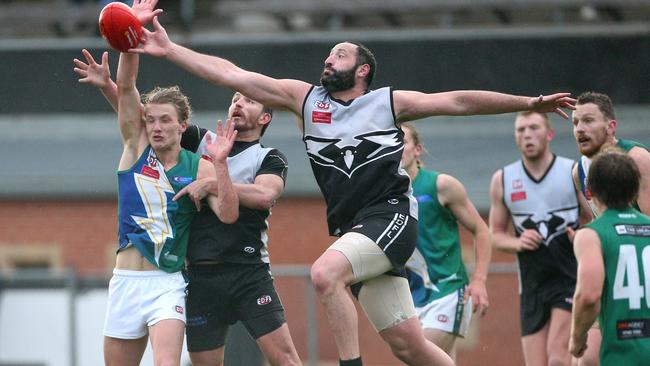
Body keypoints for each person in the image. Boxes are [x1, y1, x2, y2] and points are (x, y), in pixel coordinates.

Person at [131, 16, 575, 365]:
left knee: (325, 275)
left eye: (339, 54)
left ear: (362, 70)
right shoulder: (306, 101)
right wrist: (169, 50)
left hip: (390, 218)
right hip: (356, 231)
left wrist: (527, 102)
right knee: (409, 346)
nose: (328, 59)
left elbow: (459, 101)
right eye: (328, 53)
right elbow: (230, 73)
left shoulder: (387, 103)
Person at [74, 50, 301, 365]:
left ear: (265, 117)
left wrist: (215, 177)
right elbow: (141, 115)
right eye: (236, 97)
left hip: (244, 272)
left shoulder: (263, 158)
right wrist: (114, 73)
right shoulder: (200, 141)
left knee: (284, 358)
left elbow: (259, 198)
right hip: (198, 276)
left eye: (249, 100)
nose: (239, 102)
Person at [105, 50, 239, 365]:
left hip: (166, 282)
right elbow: (126, 86)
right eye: (150, 120)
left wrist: (220, 165)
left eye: (165, 120)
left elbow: (229, 214)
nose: (156, 127)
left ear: (182, 125)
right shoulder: (135, 146)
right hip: (124, 281)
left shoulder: (200, 166)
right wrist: (130, 41)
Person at [489, 111, 590, 366]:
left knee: (558, 359)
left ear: (549, 134)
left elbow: (595, 219)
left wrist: (581, 236)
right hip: (532, 286)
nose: (527, 135)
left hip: (569, 279)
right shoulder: (503, 179)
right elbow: (496, 235)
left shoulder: (573, 171)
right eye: (521, 130)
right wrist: (518, 242)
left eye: (533, 128)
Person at [570, 91, 650, 366]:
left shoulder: (637, 159)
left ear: (611, 126)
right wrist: (586, 239)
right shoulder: (579, 171)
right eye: (575, 122)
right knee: (583, 360)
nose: (580, 129)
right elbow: (602, 222)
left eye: (588, 120)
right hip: (610, 277)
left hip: (641, 279)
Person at [400, 122, 491, 358]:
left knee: (418, 356)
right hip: (411, 297)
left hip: (448, 290)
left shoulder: (440, 185)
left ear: (417, 149)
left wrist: (479, 279)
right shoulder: (383, 194)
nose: (396, 148)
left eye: (402, 141)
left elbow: (481, 230)